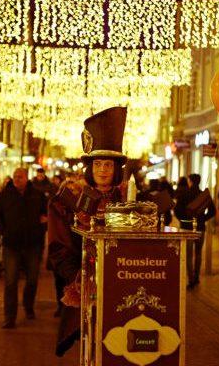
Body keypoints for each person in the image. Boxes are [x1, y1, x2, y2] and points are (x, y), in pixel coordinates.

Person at [48, 106, 127, 357]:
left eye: (109, 164)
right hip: (86, 286)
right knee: (92, 347)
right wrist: (75, 276)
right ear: (90, 168)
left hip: (122, 285)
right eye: (98, 164)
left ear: (117, 169)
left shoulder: (129, 201)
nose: (103, 169)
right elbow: (59, 246)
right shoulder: (69, 200)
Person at [0, 167, 48, 328]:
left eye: (20, 176)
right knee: (10, 281)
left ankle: (28, 306)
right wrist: (3, 230)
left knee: (32, 279)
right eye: (15, 176)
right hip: (11, 244)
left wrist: (41, 227)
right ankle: (9, 317)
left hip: (33, 244)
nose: (17, 179)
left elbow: (46, 214)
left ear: (27, 178)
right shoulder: (4, 195)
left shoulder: (37, 195)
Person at [174, 173, 216, 289]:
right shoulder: (203, 195)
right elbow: (213, 211)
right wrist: (202, 219)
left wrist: (184, 220)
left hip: (187, 228)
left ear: (191, 181)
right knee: (198, 253)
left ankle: (191, 278)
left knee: (188, 254)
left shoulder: (185, 194)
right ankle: (197, 277)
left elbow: (177, 210)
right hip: (200, 228)